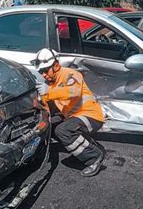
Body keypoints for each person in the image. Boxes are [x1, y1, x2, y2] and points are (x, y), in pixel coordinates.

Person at [33, 48, 106, 177]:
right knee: (50, 127)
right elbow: (46, 105)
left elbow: (74, 92)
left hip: (91, 115)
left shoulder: (70, 74)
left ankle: (94, 157)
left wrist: (49, 92)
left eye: (45, 70)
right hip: (75, 117)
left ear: (56, 65)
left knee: (62, 130)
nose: (43, 75)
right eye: (41, 72)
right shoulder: (50, 84)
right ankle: (81, 152)